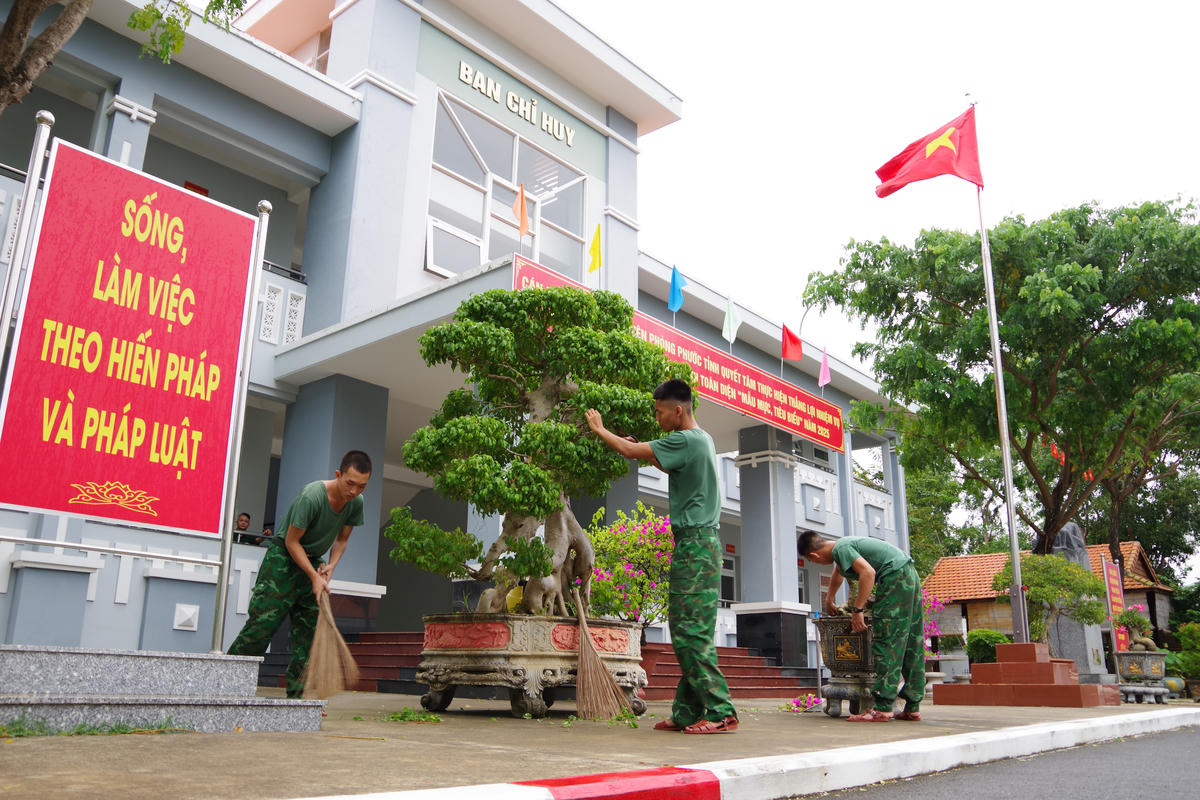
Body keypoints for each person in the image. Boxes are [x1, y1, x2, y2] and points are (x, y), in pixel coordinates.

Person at [585, 379, 737, 734]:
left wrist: (599, 428)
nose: (658, 419)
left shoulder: (686, 438)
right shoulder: (701, 439)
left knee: (690, 632)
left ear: (678, 411)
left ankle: (720, 711)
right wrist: (647, 450)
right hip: (699, 543)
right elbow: (667, 464)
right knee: (687, 629)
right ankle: (688, 712)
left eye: (660, 412)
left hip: (696, 545)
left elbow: (626, 452)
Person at [227, 450, 372, 698]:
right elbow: (293, 542)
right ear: (338, 475)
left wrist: (329, 569)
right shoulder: (312, 496)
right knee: (262, 625)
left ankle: (297, 697)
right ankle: (226, 685)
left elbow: (341, 540)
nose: (354, 491)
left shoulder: (355, 503)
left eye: (361, 486)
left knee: (308, 634)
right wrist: (314, 576)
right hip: (282, 558)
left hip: (315, 562)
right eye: (350, 483)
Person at [799, 531, 925, 722]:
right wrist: (829, 599)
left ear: (813, 556)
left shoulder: (842, 548)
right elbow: (838, 573)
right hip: (909, 574)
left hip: (895, 578)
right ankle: (913, 705)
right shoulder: (842, 548)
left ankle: (882, 708)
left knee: (887, 641)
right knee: (910, 641)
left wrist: (858, 610)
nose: (816, 563)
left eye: (813, 562)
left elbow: (868, 572)